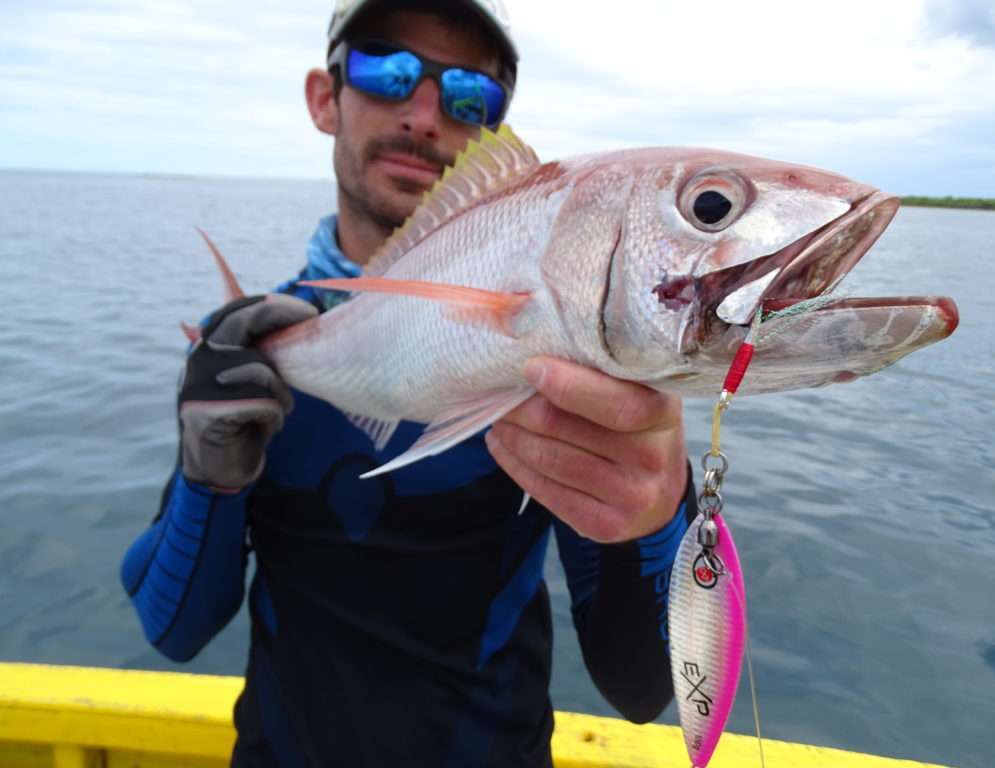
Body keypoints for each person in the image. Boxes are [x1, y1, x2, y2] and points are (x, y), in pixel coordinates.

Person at [121, 1, 696, 765]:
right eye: (386, 71)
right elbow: (173, 629)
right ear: (326, 98)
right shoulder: (246, 356)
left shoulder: (555, 356)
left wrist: (658, 513)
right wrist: (208, 475)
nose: (424, 115)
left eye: (468, 95)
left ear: (492, 132)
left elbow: (642, 688)